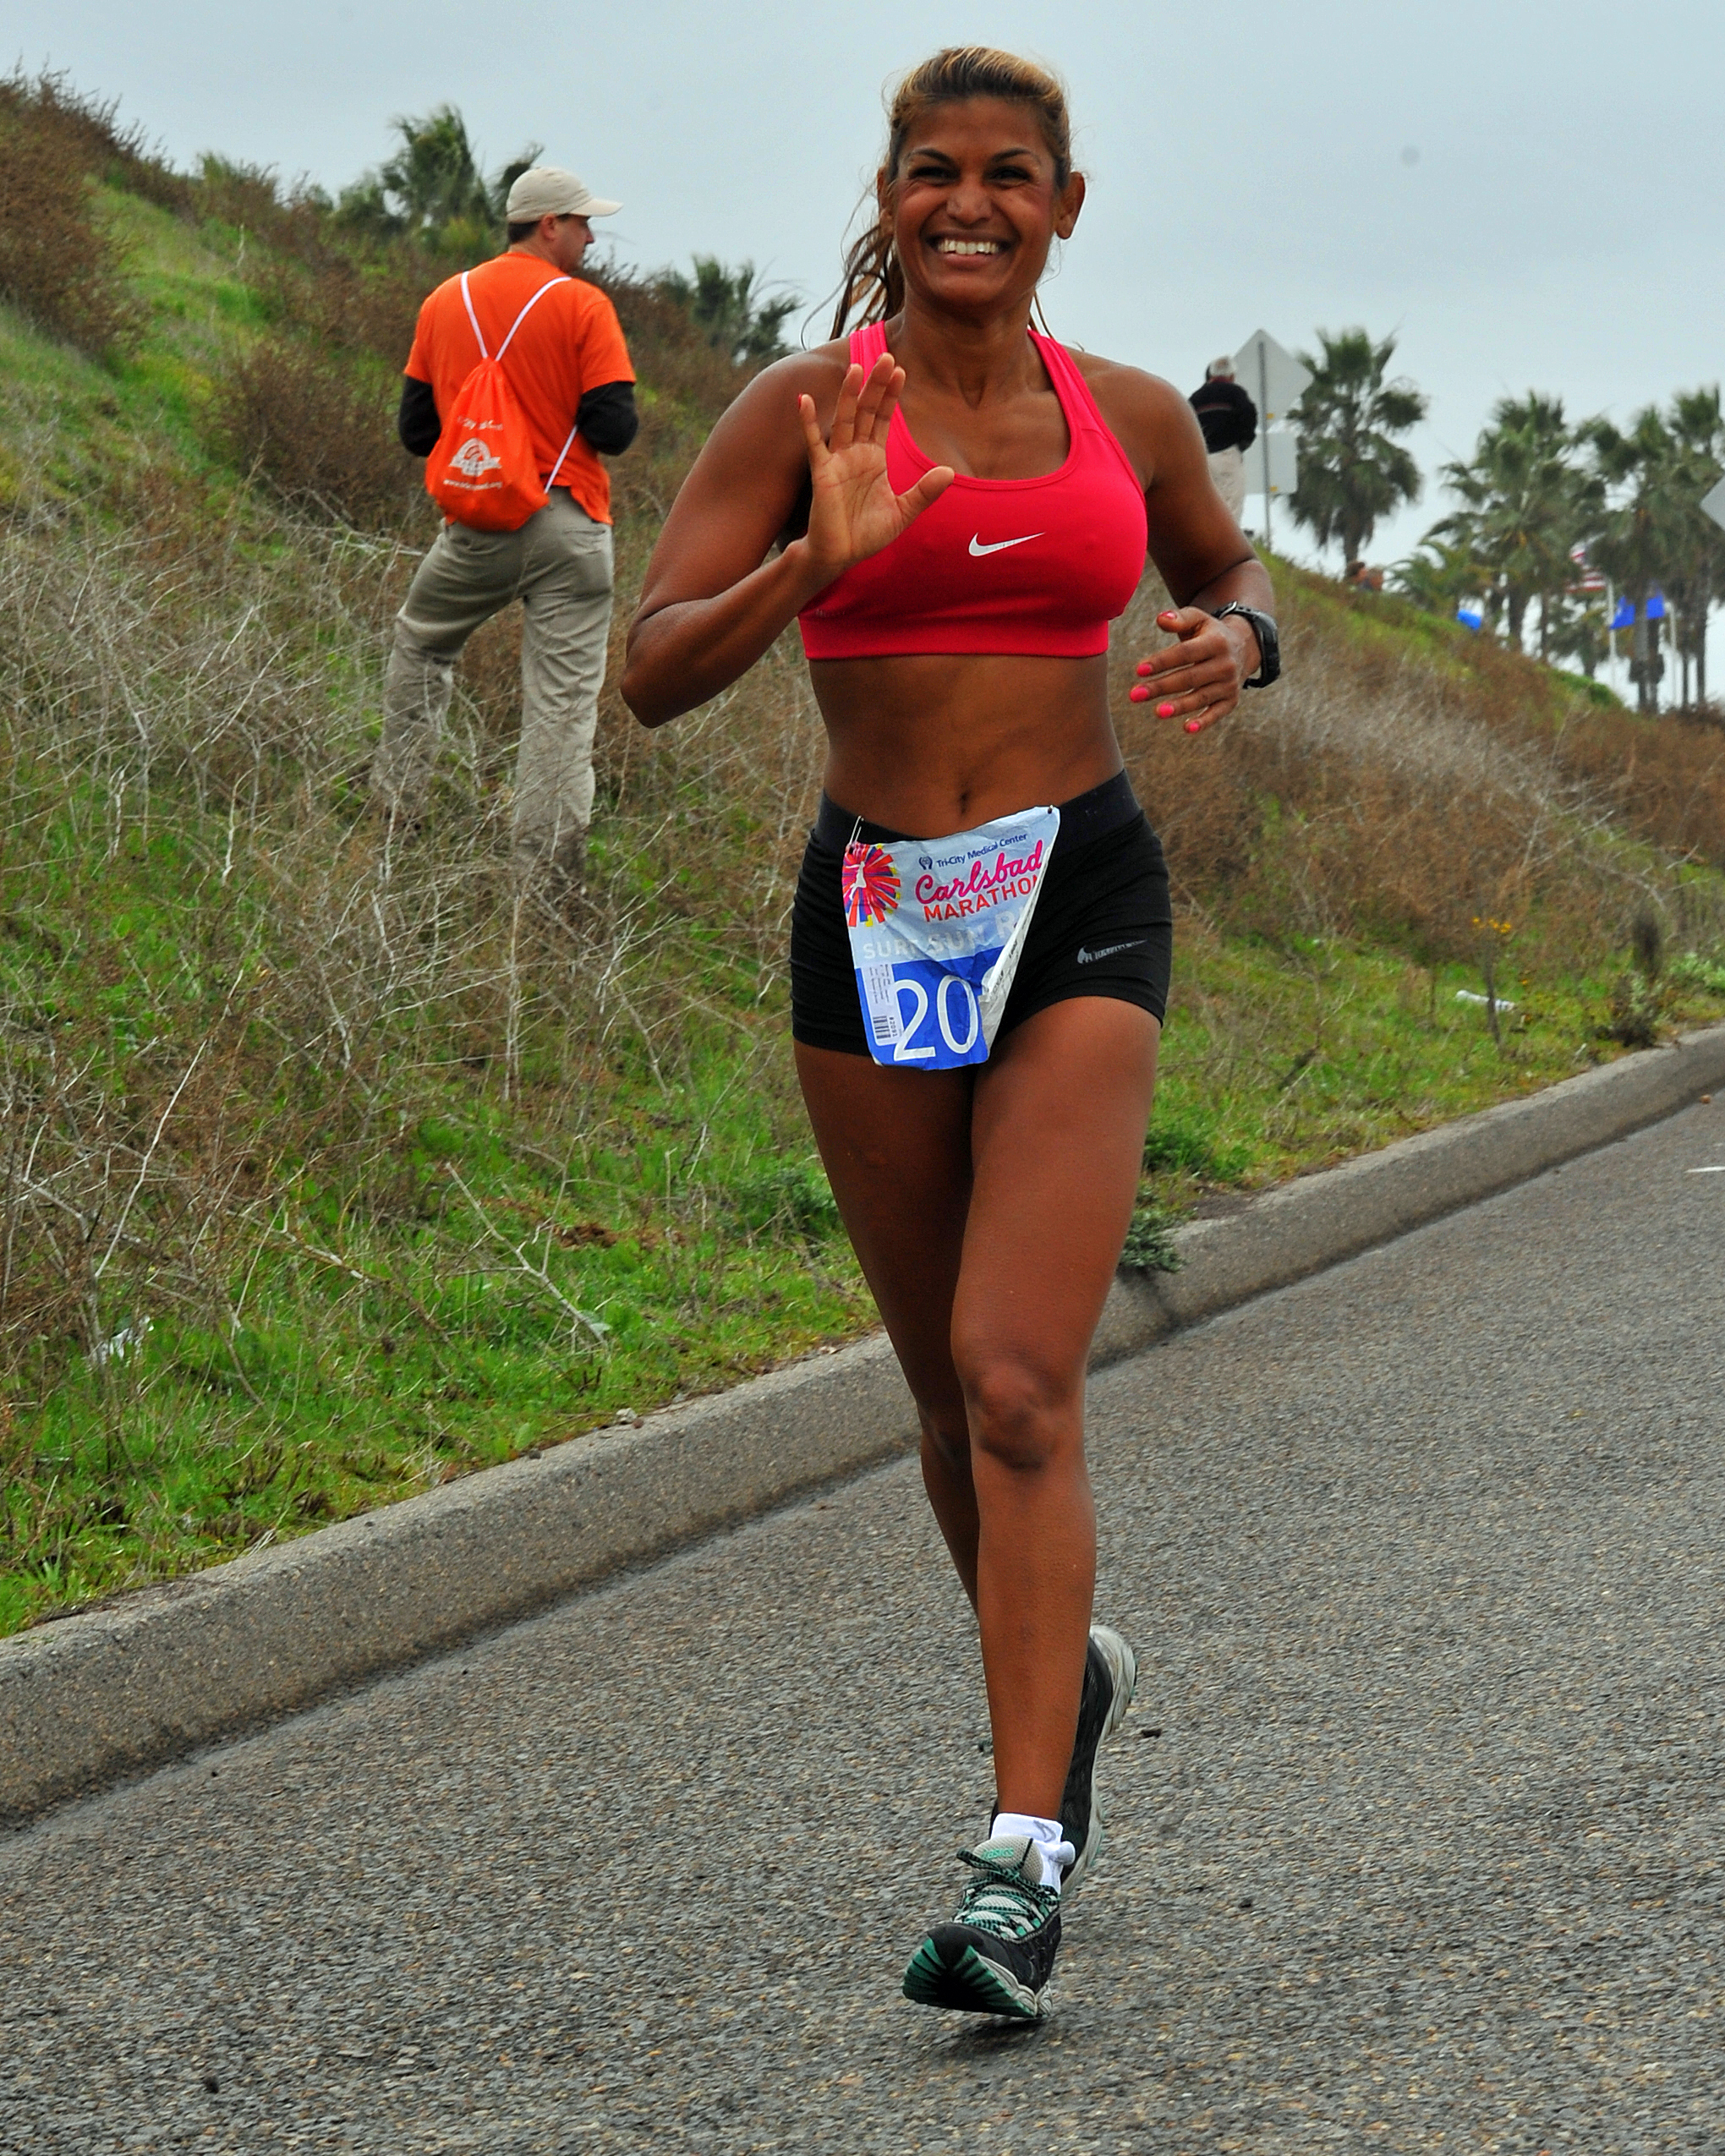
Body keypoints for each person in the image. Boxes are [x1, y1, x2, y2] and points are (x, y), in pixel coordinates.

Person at [622, 47, 1279, 2020]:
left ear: (1062, 206)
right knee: (936, 1401)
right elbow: (650, 671)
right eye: (931, 173)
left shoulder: (1131, 415)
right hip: (873, 917)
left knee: (1014, 1379)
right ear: (890, 197)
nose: (966, 202)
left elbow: (1227, 568)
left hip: (1074, 896)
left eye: (1009, 174)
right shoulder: (803, 408)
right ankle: (1053, 1669)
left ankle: (1018, 1862)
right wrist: (807, 564)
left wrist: (1233, 639)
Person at [372, 166, 640, 903]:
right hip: (570, 526)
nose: (591, 235)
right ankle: (543, 888)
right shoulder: (584, 306)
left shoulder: (443, 301)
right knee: (559, 707)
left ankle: (397, 814)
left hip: (477, 527)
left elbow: (415, 430)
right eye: (583, 222)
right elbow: (613, 431)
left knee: (421, 644)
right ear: (548, 224)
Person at [1188, 356, 1257, 523]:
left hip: (1202, 460)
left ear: (1210, 375)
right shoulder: (1236, 394)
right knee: (1231, 504)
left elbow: (1186, 427)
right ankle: (1226, 546)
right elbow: (1249, 417)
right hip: (1227, 455)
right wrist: (1243, 443)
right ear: (1232, 375)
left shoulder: (1196, 398)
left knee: (1207, 505)